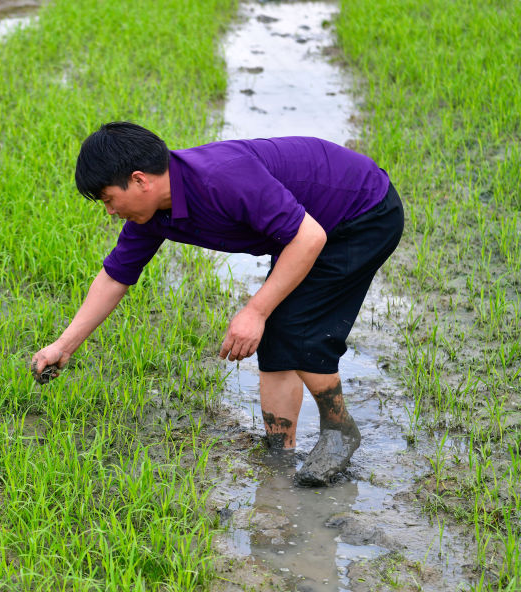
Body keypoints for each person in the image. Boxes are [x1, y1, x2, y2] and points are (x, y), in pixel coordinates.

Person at [30, 122, 404, 486]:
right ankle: (280, 451)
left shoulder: (221, 179)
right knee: (277, 338)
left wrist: (254, 311)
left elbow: (308, 237)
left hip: (360, 213)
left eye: (109, 199)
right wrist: (64, 345)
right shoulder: (153, 214)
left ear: (140, 179)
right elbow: (115, 277)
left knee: (296, 329)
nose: (110, 212)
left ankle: (340, 430)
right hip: (305, 227)